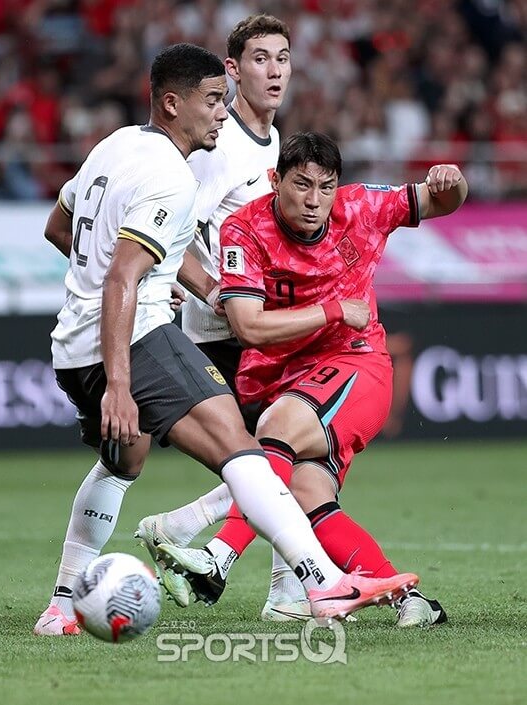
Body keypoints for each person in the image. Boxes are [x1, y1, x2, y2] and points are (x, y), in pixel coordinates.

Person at [33, 44, 418, 636]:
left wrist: (172, 279)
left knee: (123, 461)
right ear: (171, 103)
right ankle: (322, 583)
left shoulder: (112, 146)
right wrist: (120, 380)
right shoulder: (170, 175)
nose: (222, 113)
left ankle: (62, 605)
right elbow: (121, 279)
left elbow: (60, 227)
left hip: (72, 344)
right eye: (213, 101)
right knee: (244, 446)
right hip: (134, 338)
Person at [136, 16, 444, 627]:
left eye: (283, 59)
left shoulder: (275, 146)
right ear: (232, 70)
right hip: (226, 332)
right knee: (264, 456)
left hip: (285, 338)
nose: (274, 71)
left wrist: (446, 188)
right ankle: (213, 550)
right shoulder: (214, 147)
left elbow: (422, 201)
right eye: (259, 59)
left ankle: (242, 560)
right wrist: (190, 285)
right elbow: (165, 221)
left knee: (285, 466)